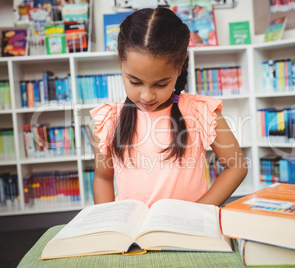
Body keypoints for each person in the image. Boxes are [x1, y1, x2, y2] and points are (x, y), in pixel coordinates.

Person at [90, 7, 247, 207]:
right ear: (121, 63)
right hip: (133, 233)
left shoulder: (201, 111)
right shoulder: (109, 119)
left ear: (179, 68)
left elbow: (237, 166)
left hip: (187, 228)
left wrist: (199, 211)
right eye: (135, 82)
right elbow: (103, 177)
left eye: (160, 84)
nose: (147, 95)